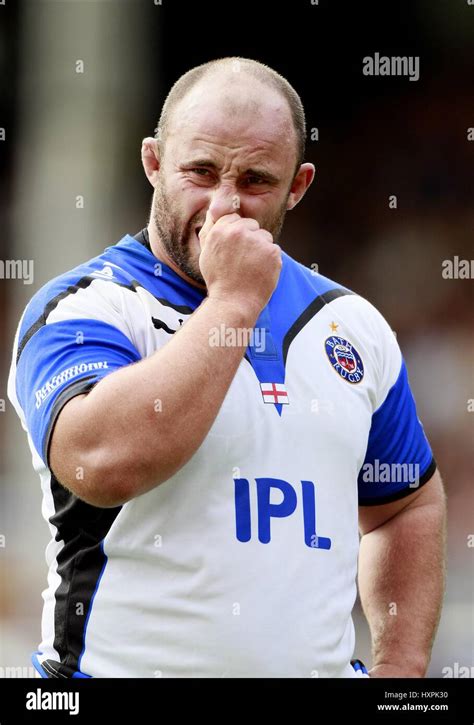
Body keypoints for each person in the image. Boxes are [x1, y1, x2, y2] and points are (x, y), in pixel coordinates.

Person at [8, 57, 446, 679]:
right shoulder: (88, 307)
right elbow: (99, 464)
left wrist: (400, 670)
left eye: (256, 180)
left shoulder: (353, 325)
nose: (224, 205)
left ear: (298, 185)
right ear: (154, 163)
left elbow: (406, 504)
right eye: (201, 171)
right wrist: (234, 302)